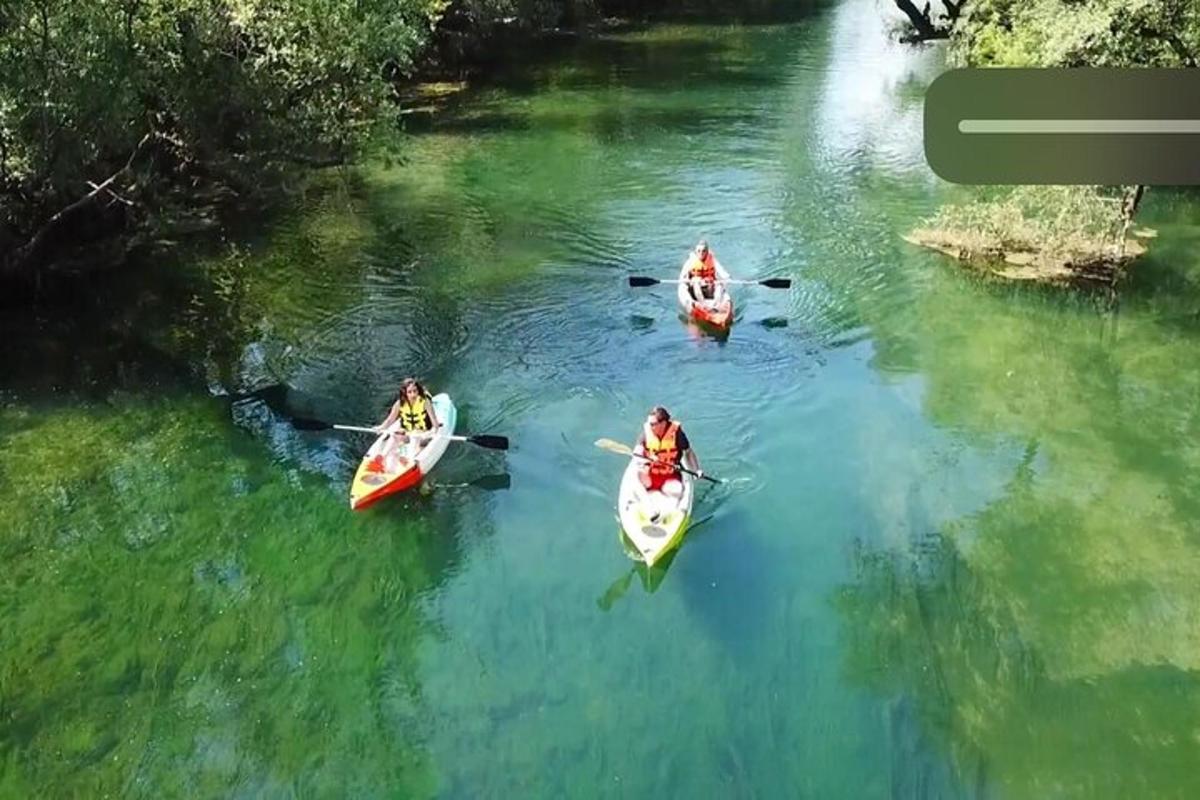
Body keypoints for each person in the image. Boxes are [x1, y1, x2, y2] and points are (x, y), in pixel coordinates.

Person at [633, 407, 702, 510]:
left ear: (663, 423)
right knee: (638, 476)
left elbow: (688, 452)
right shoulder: (647, 432)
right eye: (649, 423)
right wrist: (647, 458)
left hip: (670, 475)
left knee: (676, 491)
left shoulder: (677, 433)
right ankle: (650, 508)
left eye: (653, 424)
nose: (650, 426)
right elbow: (637, 451)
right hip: (651, 474)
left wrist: (696, 470)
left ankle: (668, 510)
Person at [374, 377, 440, 470]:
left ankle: (409, 459)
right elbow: (390, 420)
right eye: (409, 392)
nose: (413, 394)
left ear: (418, 391)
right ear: (404, 392)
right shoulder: (399, 403)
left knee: (414, 435)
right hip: (407, 433)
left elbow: (435, 424)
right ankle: (382, 457)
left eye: (415, 391)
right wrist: (381, 427)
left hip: (422, 435)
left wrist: (431, 433)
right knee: (394, 434)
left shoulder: (425, 402)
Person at [683, 239, 731, 307]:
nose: (701, 253)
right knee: (696, 282)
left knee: (720, 285)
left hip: (709, 284)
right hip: (696, 286)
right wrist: (685, 280)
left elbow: (721, 270)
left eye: (703, 251)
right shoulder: (691, 261)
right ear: (696, 251)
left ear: (707, 252)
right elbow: (684, 275)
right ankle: (703, 305)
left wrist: (727, 278)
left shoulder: (712, 259)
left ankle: (716, 305)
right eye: (699, 251)